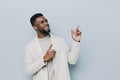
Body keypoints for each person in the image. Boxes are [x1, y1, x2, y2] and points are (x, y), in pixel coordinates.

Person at [25, 13, 82, 80]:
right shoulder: (30, 47)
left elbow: (72, 60)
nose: (46, 23)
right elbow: (28, 70)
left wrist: (76, 41)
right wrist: (44, 59)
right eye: (42, 22)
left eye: (46, 21)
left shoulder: (60, 41)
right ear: (35, 27)